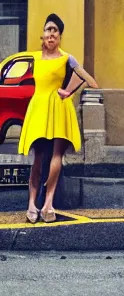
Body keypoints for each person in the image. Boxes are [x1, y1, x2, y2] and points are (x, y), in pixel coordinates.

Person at [18, 13, 98, 224]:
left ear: (60, 36)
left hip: (59, 109)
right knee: (37, 157)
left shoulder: (66, 58)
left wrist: (69, 91)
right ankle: (31, 204)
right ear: (42, 35)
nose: (51, 34)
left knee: (56, 156)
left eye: (55, 31)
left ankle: (48, 204)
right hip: (39, 109)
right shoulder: (33, 57)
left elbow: (91, 81)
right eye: (48, 30)